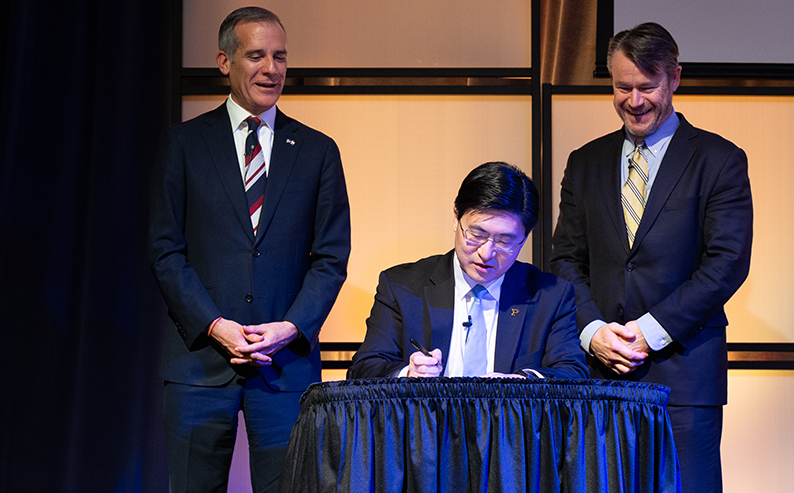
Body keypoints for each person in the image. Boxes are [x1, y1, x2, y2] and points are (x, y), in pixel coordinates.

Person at [147, 7, 350, 492]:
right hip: (199, 364)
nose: (272, 68)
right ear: (224, 61)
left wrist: (289, 327)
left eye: (280, 56)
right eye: (257, 55)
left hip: (286, 367)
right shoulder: (183, 144)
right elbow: (165, 250)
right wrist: (215, 325)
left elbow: (330, 258)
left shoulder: (319, 151)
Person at [550, 22, 753, 492]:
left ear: (675, 78)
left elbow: (727, 261)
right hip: (598, 372)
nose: (634, 100)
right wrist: (593, 331)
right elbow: (564, 259)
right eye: (622, 87)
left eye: (647, 86)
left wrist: (648, 332)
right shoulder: (586, 160)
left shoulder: (719, 159)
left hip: (684, 376)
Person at [348, 162, 588, 380]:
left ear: (524, 238)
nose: (486, 253)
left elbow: (572, 373)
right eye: (476, 234)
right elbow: (364, 368)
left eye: (504, 241)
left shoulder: (551, 296)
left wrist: (524, 383)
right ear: (456, 218)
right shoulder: (401, 286)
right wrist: (408, 374)